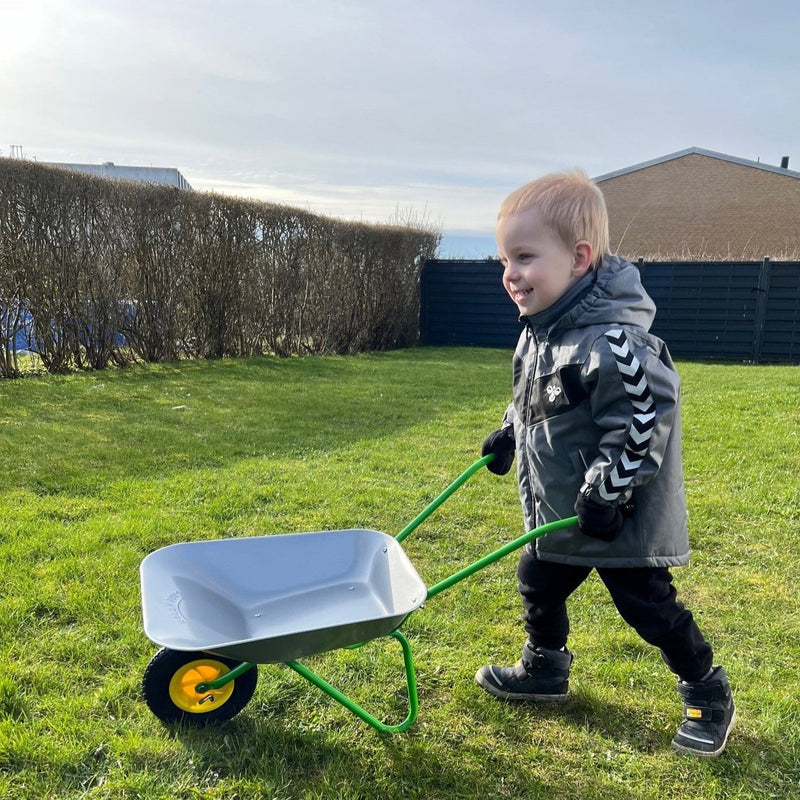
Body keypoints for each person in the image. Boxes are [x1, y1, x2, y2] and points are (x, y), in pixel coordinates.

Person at [476, 169, 735, 757]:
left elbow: (644, 422)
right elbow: (532, 400)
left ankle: (707, 688)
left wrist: (606, 490)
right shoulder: (538, 335)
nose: (509, 275)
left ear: (579, 257)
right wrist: (508, 431)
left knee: (648, 607)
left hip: (614, 515)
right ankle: (545, 668)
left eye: (523, 257)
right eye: (504, 261)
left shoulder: (614, 342)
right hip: (558, 513)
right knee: (537, 581)